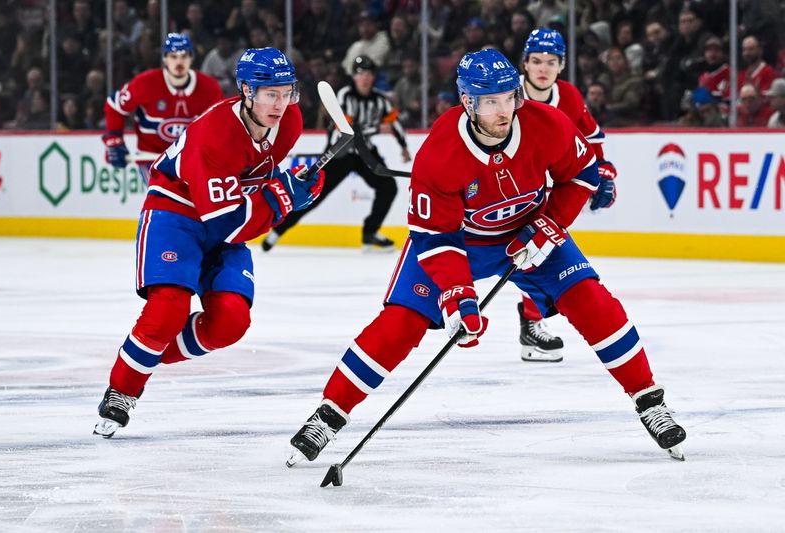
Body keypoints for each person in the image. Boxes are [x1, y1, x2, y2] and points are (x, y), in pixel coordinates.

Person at [286, 48, 686, 466]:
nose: (504, 110)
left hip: (530, 230)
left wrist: (551, 225)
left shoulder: (546, 124)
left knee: (591, 299)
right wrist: (458, 297)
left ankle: (649, 400)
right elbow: (436, 238)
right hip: (461, 244)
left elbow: (582, 175)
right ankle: (329, 414)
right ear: (468, 102)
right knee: (401, 322)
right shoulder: (439, 154)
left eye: (508, 97)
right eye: (490, 101)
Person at [93, 48, 325, 438]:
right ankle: (123, 388)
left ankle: (143, 356)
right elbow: (228, 223)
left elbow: (257, 180)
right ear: (247, 91)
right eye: (270, 93)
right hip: (177, 214)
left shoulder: (290, 122)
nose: (280, 104)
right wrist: (282, 199)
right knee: (167, 309)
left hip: (226, 215)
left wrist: (296, 186)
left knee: (231, 321)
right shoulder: (214, 135)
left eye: (287, 93)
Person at [517, 28, 617, 363]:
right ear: (525, 63)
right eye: (536, 61)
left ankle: (531, 324)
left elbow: (592, 138)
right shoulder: (508, 93)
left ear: (561, 65)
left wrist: (603, 171)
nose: (542, 68)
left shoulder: (569, 96)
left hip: (548, 190)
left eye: (551, 61)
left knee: (541, 250)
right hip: (509, 191)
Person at [261, 55, 411, 252]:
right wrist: (377, 128)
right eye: (360, 74)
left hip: (363, 153)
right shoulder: (345, 95)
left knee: (388, 187)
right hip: (338, 154)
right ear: (354, 77)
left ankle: (370, 233)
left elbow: (394, 123)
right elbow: (348, 128)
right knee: (313, 195)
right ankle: (278, 231)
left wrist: (403, 146)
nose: (365, 78)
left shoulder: (380, 100)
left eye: (368, 74)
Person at [102, 33, 222, 184]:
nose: (179, 62)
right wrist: (114, 140)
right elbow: (114, 105)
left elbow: (219, 124)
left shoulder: (209, 88)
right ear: (164, 58)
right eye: (173, 56)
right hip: (152, 160)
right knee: (165, 202)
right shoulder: (145, 83)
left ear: (191, 58)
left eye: (184, 56)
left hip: (190, 160)